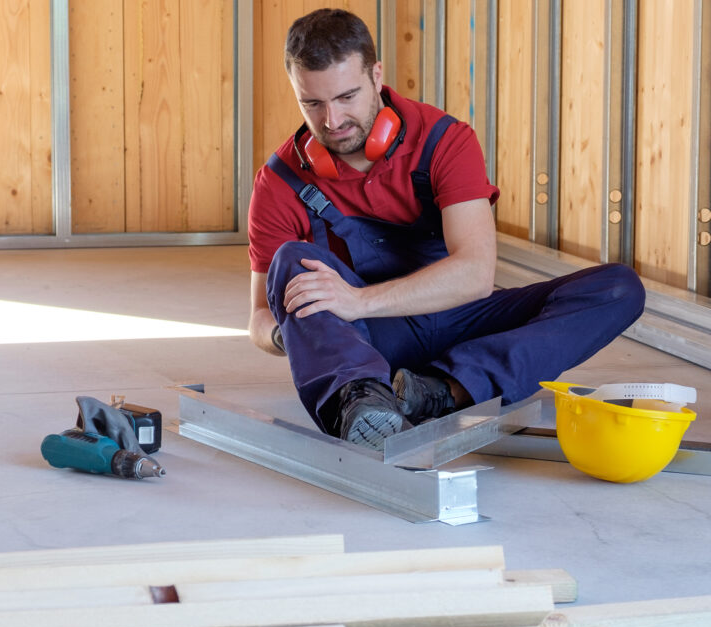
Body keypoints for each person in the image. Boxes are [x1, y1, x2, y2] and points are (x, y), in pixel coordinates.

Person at [248, 8, 645, 449]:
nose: (332, 121)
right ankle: (361, 401)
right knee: (291, 260)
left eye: (346, 97)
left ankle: (441, 390)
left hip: (462, 316)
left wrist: (357, 300)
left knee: (618, 288)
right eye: (312, 104)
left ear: (377, 76)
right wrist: (306, 328)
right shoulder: (281, 180)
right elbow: (259, 318)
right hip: (372, 341)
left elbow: (475, 276)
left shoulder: (443, 140)